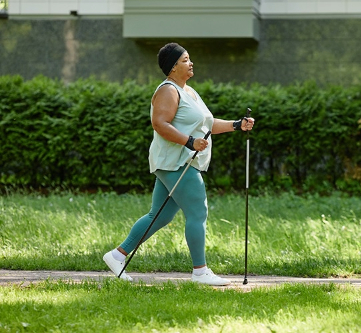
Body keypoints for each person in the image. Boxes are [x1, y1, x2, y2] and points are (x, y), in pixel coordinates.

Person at [103, 42, 254, 286]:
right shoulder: (168, 90)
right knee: (197, 210)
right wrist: (189, 142)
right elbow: (160, 123)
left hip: (177, 162)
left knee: (159, 215)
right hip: (176, 162)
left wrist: (236, 125)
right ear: (172, 68)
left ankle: (117, 255)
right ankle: (200, 271)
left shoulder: (189, 91)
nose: (190, 63)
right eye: (185, 60)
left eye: (189, 59)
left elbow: (208, 124)